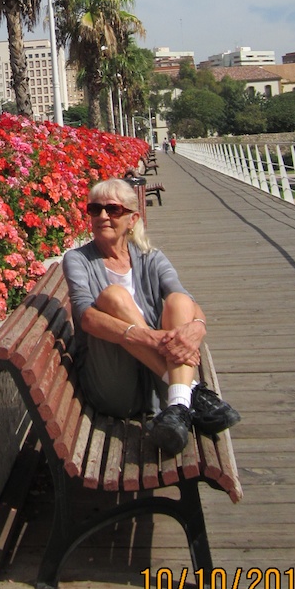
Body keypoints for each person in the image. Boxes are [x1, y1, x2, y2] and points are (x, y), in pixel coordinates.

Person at [62, 177, 240, 454]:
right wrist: (152, 338)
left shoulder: (150, 256)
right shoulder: (78, 260)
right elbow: (86, 317)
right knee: (113, 297)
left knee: (179, 300)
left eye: (113, 209)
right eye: (95, 209)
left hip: (159, 384)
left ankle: (180, 404)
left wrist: (198, 327)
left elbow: (187, 300)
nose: (103, 216)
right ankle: (192, 392)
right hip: (113, 383)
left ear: (132, 219)